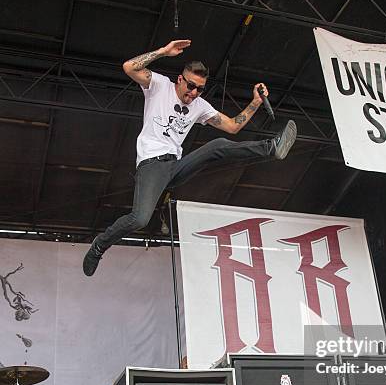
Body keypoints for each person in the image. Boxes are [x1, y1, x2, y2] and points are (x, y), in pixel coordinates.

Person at [83, 39, 297, 276]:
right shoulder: (159, 86)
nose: (193, 93)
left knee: (217, 145)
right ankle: (100, 245)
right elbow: (129, 67)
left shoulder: (200, 105)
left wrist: (255, 103)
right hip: (152, 165)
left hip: (175, 166)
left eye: (200, 89)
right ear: (180, 79)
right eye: (191, 86)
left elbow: (232, 126)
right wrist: (164, 52)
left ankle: (271, 147)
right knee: (140, 218)